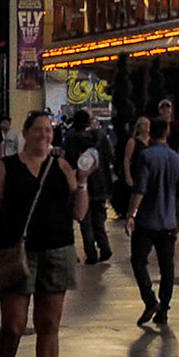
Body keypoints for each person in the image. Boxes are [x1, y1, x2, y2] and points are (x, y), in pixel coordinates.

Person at [0, 108, 86, 357]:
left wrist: (83, 182)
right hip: (16, 253)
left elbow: (79, 213)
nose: (44, 135)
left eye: (48, 131)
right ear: (26, 133)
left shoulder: (62, 166)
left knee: (48, 326)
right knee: (14, 325)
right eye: (38, 129)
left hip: (57, 250)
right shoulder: (6, 167)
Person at [123, 116, 179, 327]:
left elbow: (139, 189)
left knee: (138, 260)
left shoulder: (146, 156)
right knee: (167, 267)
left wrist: (131, 214)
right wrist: (177, 219)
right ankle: (164, 310)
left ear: (151, 133)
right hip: (167, 221)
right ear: (166, 132)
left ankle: (150, 300)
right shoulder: (176, 159)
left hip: (147, 221)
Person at [63, 109, 114, 264]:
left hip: (82, 185)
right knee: (99, 220)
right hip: (100, 184)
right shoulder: (101, 137)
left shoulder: (71, 139)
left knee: (85, 222)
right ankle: (105, 247)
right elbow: (110, 155)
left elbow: (69, 162)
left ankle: (91, 253)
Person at [117, 115, 151, 219]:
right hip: (136, 171)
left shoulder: (152, 141)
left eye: (148, 124)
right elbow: (127, 159)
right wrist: (127, 175)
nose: (146, 127)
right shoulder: (133, 141)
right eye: (144, 124)